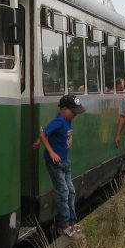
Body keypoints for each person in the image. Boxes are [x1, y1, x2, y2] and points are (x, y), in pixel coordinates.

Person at [37, 94, 85, 238]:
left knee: (70, 191)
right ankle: (64, 225)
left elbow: (47, 135)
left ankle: (72, 221)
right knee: (63, 192)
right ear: (64, 109)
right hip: (55, 163)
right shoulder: (59, 121)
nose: (75, 114)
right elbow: (44, 135)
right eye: (73, 111)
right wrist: (51, 152)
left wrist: (38, 143)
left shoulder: (67, 120)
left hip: (65, 161)